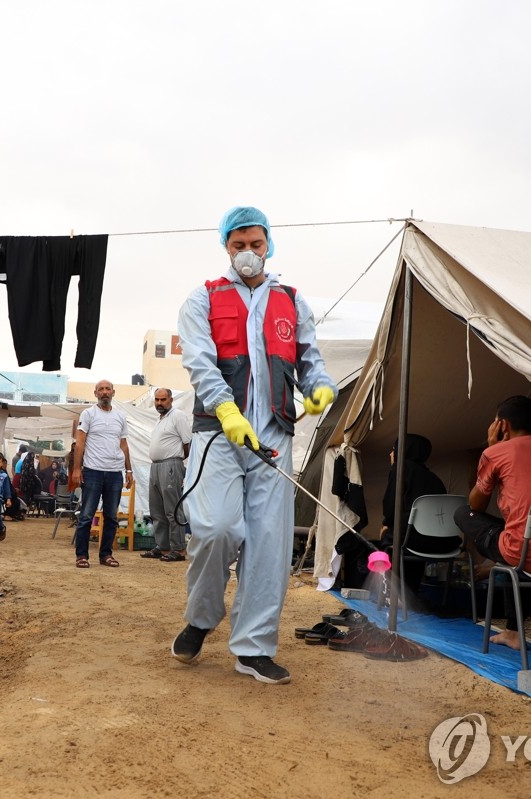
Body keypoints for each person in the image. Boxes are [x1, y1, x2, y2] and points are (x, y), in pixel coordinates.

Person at [170, 206, 336, 685]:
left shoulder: (292, 300)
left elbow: (309, 359)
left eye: (255, 244)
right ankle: (202, 618)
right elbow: (200, 363)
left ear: (269, 245)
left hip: (274, 438)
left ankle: (254, 647)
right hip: (218, 434)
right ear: (226, 246)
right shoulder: (202, 299)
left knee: (267, 546)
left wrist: (321, 386)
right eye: (238, 244)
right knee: (216, 529)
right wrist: (225, 410)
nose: (248, 253)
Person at [454, 395, 531, 651]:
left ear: (502, 425)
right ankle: (513, 631)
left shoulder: (496, 452)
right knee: (514, 532)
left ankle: (513, 631)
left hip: (524, 553)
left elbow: (476, 506)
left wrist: (490, 448)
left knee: (462, 513)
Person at [71, 379, 134, 569]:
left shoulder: (120, 417)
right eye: (101, 389)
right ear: (95, 393)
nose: (104, 392)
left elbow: (123, 444)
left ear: (113, 392)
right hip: (93, 471)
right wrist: (76, 468)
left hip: (115, 472)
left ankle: (106, 555)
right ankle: (82, 556)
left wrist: (129, 470)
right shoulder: (88, 414)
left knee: (111, 517)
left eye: (108, 389)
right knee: (86, 515)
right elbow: (80, 442)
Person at [378, 434, 449, 592]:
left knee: (391, 536)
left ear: (403, 451)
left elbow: (390, 510)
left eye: (394, 449)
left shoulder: (400, 468)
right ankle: (411, 593)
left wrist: (386, 525)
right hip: (443, 543)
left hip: (413, 540)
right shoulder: (435, 479)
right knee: (407, 533)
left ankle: (394, 594)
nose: (390, 454)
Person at [140, 387, 192, 562]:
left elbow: (188, 443)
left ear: (171, 400)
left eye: (163, 400)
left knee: (173, 509)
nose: (159, 403)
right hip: (155, 466)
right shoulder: (161, 418)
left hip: (170, 465)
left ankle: (178, 549)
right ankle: (163, 546)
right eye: (157, 400)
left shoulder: (178, 416)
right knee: (157, 510)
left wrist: (177, 464)